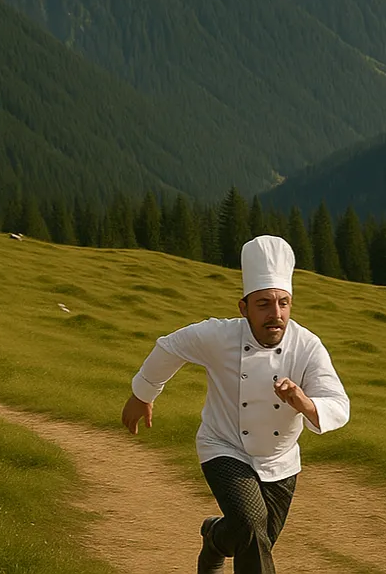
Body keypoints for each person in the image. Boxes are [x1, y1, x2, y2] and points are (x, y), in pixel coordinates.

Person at [120, 235, 350, 573]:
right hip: (224, 445)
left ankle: (214, 537)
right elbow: (170, 347)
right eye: (264, 304)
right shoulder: (219, 337)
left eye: (283, 303)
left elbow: (338, 404)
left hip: (281, 460)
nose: (276, 314)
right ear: (243, 308)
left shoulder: (307, 346)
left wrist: (304, 402)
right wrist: (143, 394)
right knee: (252, 526)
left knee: (254, 537)